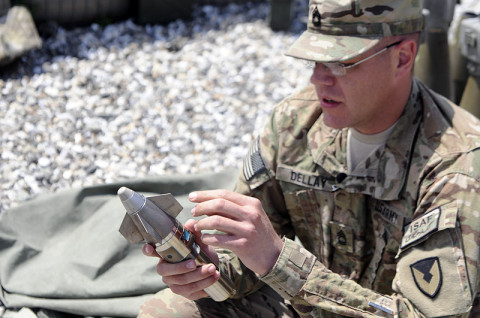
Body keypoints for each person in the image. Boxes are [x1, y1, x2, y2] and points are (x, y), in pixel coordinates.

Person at [139, 0, 480, 316]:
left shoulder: (458, 165)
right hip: (318, 303)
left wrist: (279, 261)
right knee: (172, 309)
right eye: (314, 60)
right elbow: (246, 259)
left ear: (403, 58)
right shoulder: (295, 123)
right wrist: (211, 268)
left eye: (342, 63)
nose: (317, 78)